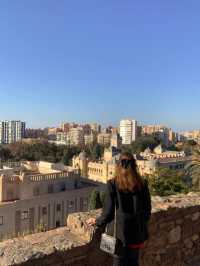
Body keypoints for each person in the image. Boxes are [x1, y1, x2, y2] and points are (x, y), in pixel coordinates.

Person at [87, 152, 151, 266]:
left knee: (118, 263)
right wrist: (141, 223)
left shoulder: (112, 184)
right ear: (134, 166)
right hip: (136, 233)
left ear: (118, 166)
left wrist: (97, 221)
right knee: (133, 262)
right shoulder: (142, 184)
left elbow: (108, 212)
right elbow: (147, 210)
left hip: (119, 236)